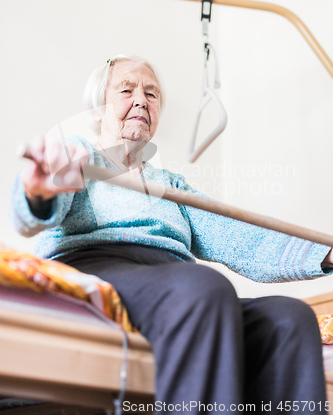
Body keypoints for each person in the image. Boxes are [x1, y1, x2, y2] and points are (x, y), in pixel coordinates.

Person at [9, 54, 333, 414]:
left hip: (168, 284)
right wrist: (39, 193)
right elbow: (41, 204)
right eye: (126, 89)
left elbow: (243, 240)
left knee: (291, 320)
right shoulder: (83, 155)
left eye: (151, 94)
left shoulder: (172, 185)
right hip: (95, 269)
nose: (140, 100)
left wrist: (326, 254)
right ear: (99, 109)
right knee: (202, 286)